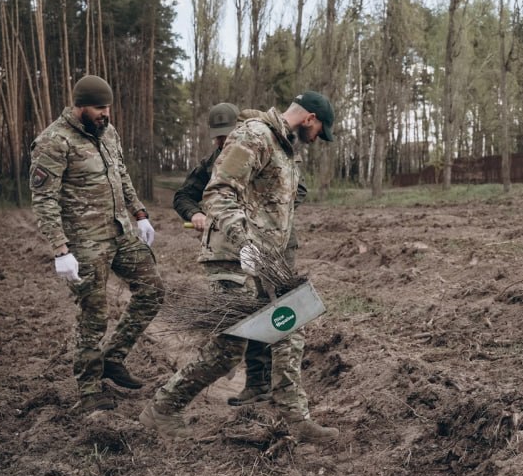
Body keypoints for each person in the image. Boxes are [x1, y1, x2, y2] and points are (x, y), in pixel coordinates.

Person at [142, 92, 338, 444]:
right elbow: (218, 192)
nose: (317, 138)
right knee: (230, 347)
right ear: (310, 117)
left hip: (266, 259)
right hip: (232, 256)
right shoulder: (255, 135)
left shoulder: (284, 147)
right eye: (320, 129)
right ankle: (164, 407)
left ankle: (295, 418)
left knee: (291, 326)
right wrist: (245, 241)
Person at [29, 74, 164, 412]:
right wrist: (61, 250)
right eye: (100, 108)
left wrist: (140, 213)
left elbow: (121, 173)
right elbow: (44, 200)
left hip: (120, 233)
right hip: (84, 243)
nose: (106, 114)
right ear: (80, 107)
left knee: (153, 290)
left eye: (108, 107)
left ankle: (113, 358)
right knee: (94, 315)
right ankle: (89, 391)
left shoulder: (107, 132)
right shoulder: (53, 142)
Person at [173, 101, 307, 408]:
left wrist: (266, 215)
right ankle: (258, 383)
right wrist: (196, 214)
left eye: (227, 133)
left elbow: (297, 190)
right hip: (238, 248)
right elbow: (186, 195)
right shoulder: (212, 163)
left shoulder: (263, 146)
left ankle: (280, 393)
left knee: (280, 316)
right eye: (217, 137)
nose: (222, 142)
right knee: (249, 313)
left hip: (278, 247)